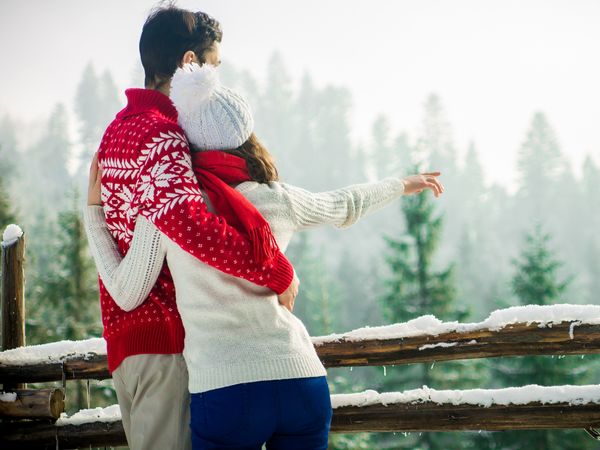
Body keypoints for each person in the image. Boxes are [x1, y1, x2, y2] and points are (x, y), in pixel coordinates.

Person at [84, 62, 444, 449]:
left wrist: (93, 211)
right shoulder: (279, 198)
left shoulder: (171, 211)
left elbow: (126, 290)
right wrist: (400, 184)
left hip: (225, 390)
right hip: (299, 378)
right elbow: (345, 203)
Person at [85, 6, 298, 450]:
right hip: (167, 347)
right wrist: (275, 271)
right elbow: (194, 228)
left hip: (130, 349)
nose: (216, 80)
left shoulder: (118, 132)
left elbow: (122, 231)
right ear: (188, 63)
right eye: (214, 66)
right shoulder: (163, 136)